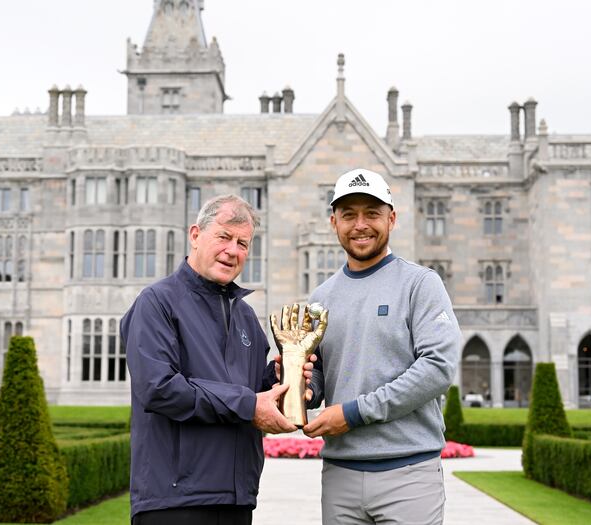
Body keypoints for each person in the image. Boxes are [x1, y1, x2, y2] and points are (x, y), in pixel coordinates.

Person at [121, 194, 302, 525]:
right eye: (224, 236)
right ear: (195, 235)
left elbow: (249, 390)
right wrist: (249, 405)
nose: (233, 251)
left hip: (236, 499)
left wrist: (283, 379)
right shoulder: (157, 303)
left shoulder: (245, 316)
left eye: (243, 243)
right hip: (174, 502)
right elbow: (159, 388)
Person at [302, 168, 463, 525]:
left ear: (392, 218)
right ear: (334, 222)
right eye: (349, 215)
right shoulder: (321, 297)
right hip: (340, 474)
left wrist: (353, 414)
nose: (360, 224)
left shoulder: (420, 284)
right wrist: (303, 388)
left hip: (408, 474)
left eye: (372, 213)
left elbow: (437, 368)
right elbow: (321, 372)